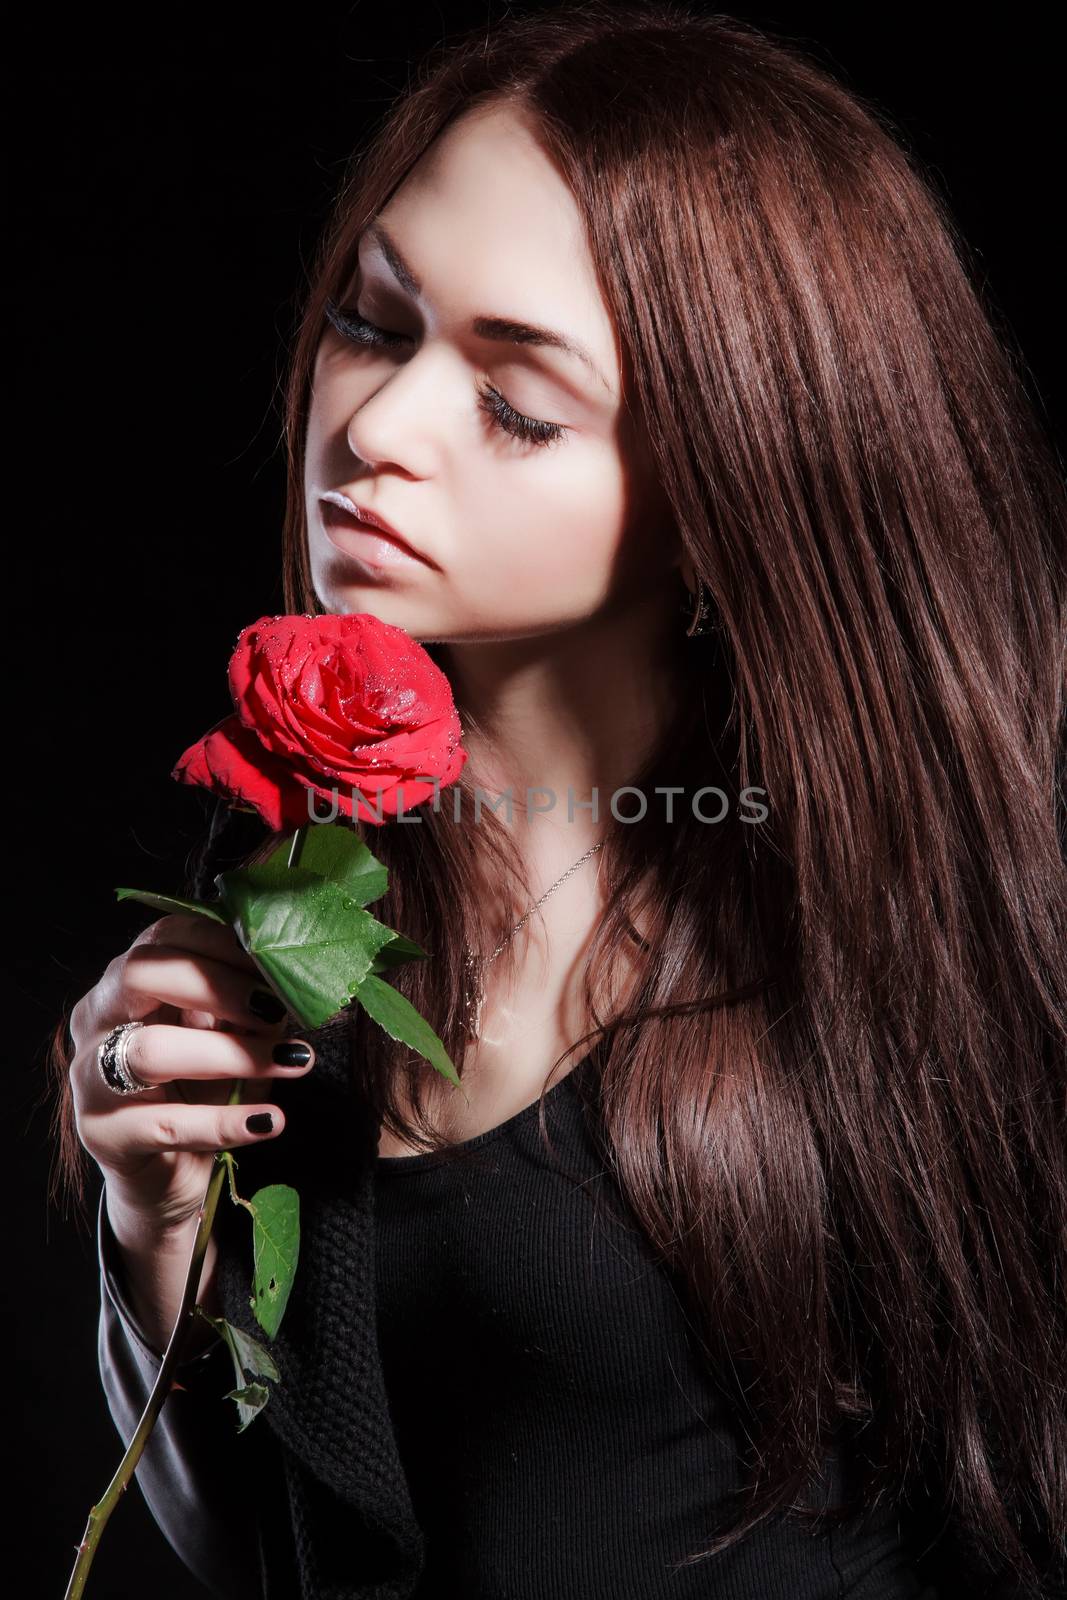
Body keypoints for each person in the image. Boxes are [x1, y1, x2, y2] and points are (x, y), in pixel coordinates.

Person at [53, 4, 1066, 1597]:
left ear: (739, 483)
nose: (373, 432)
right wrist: (152, 1219)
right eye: (373, 324)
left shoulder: (910, 960)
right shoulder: (306, 915)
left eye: (518, 407)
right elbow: (263, 1553)